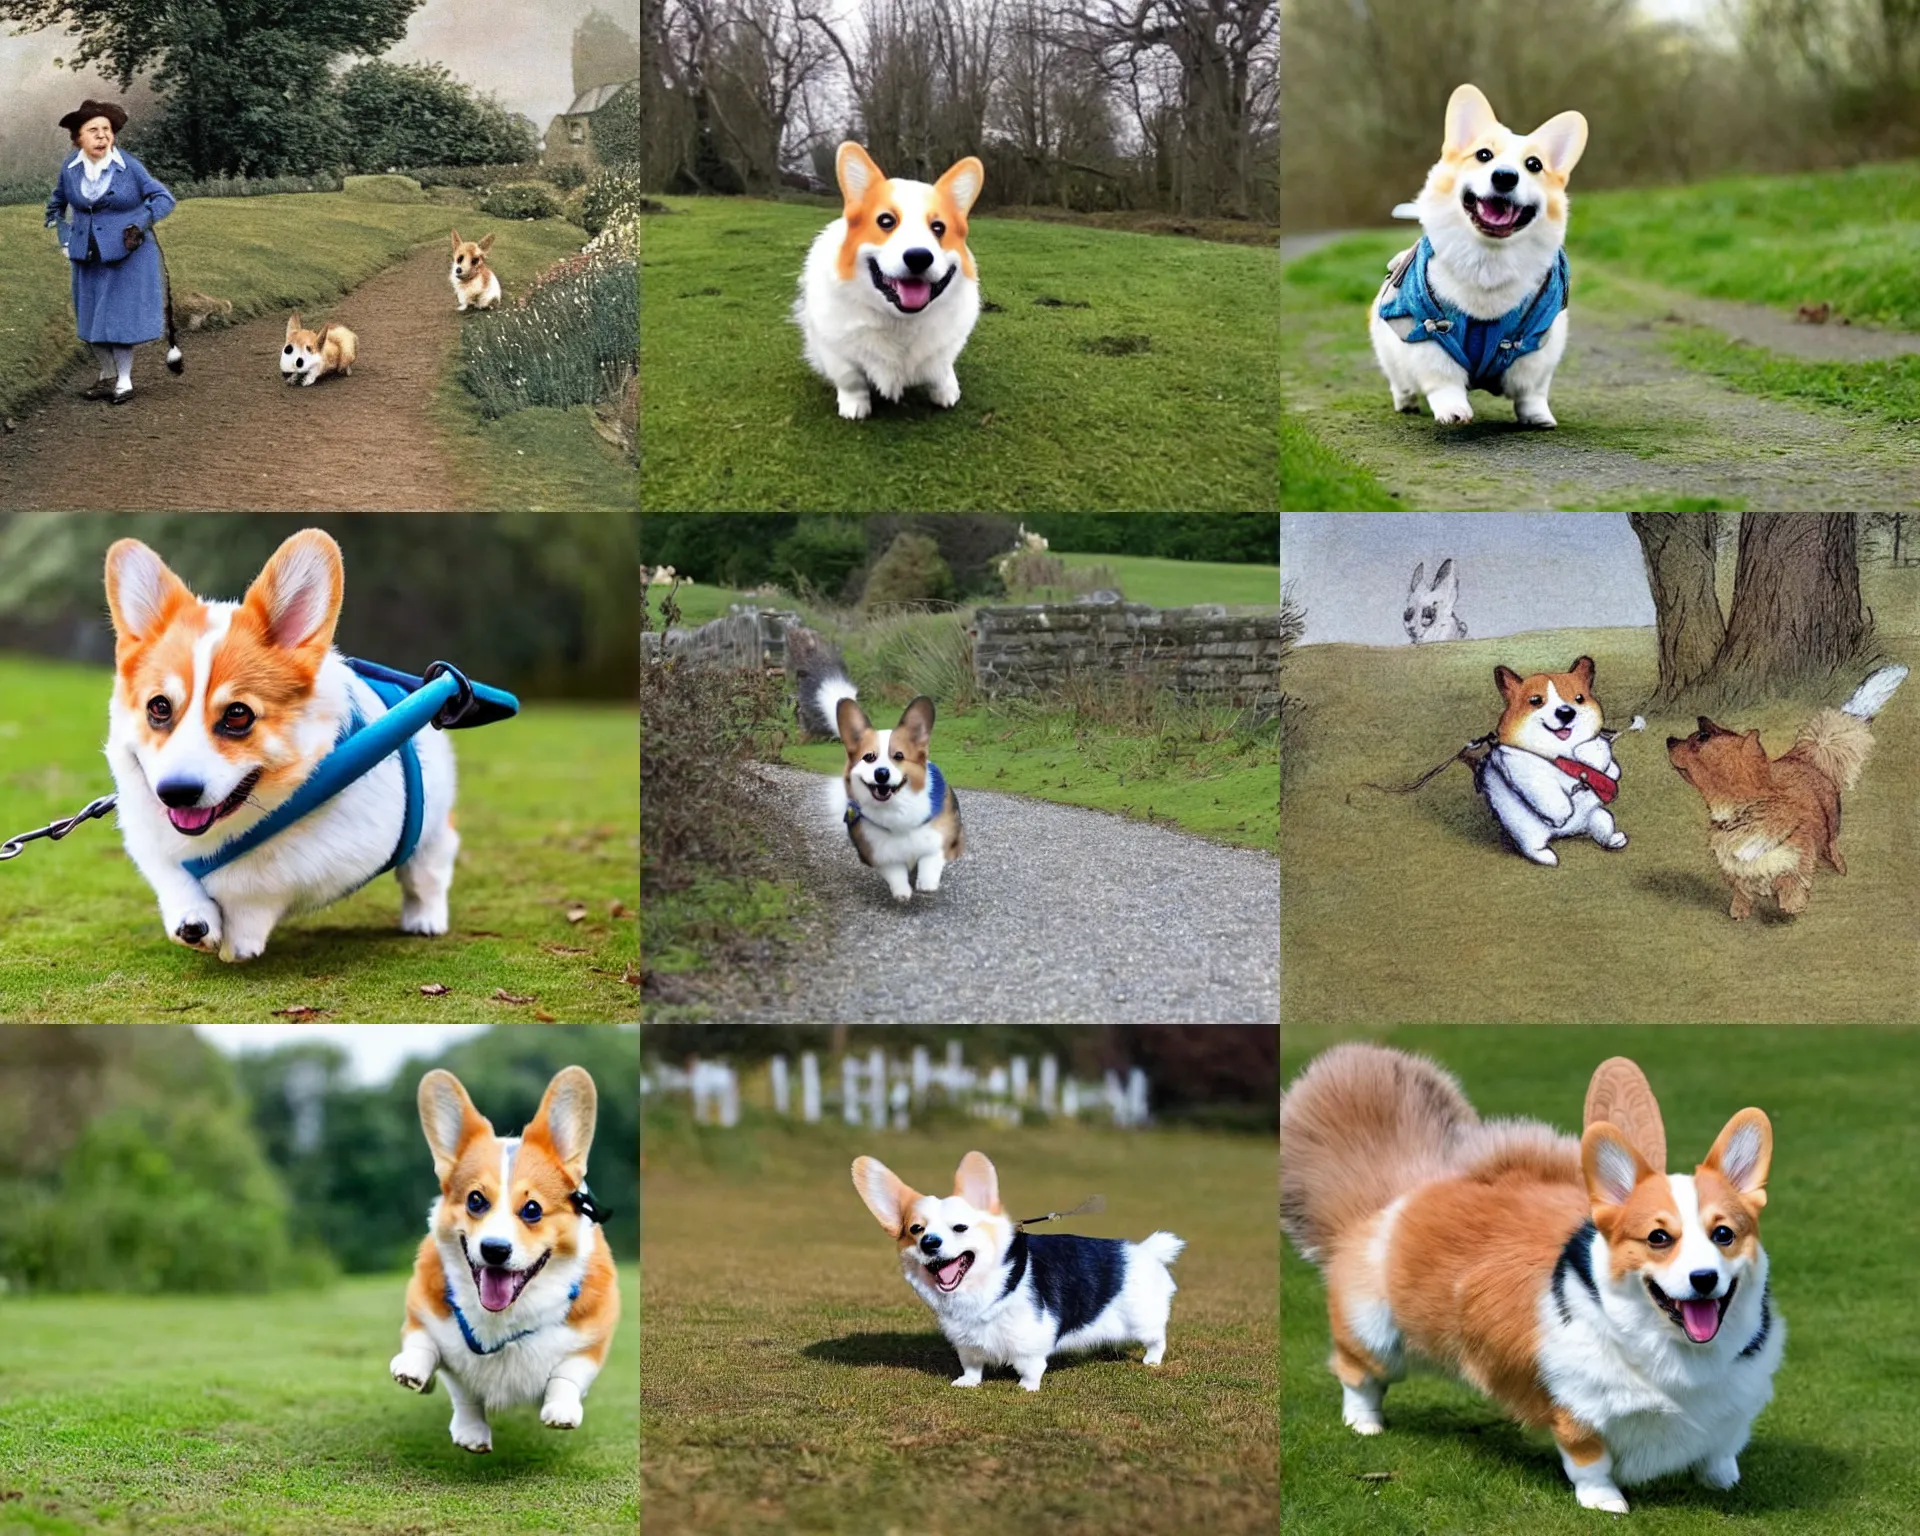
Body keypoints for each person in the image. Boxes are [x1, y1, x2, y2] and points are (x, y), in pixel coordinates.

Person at [43, 99, 176, 405]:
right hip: (86, 255)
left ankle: (125, 382)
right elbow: (55, 207)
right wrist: (65, 237)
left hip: (128, 255)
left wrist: (139, 225)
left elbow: (163, 198)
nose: (102, 136)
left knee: (118, 318)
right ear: (79, 138)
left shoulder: (128, 166)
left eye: (106, 130)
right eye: (93, 130)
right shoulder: (70, 168)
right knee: (91, 318)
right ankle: (106, 375)